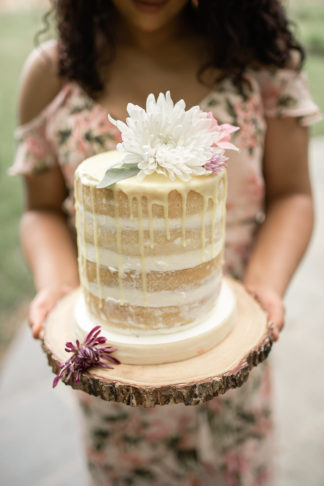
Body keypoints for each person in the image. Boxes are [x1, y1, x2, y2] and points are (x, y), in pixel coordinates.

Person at [10, 0, 321, 484]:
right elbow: (42, 209)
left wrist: (264, 284)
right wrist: (60, 284)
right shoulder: (54, 77)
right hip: (113, 358)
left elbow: (293, 196)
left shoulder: (262, 66)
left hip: (225, 341)